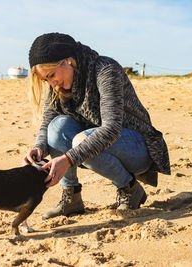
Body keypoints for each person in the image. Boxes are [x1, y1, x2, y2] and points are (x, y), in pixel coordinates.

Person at [23, 33, 170, 220]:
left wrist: (68, 159)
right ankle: (72, 197)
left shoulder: (105, 69)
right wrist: (38, 148)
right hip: (96, 145)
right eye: (46, 80)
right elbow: (47, 124)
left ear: (68, 60)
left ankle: (129, 188)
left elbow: (111, 129)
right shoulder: (58, 85)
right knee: (57, 126)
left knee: (80, 141)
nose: (52, 83)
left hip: (138, 147)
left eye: (52, 75)